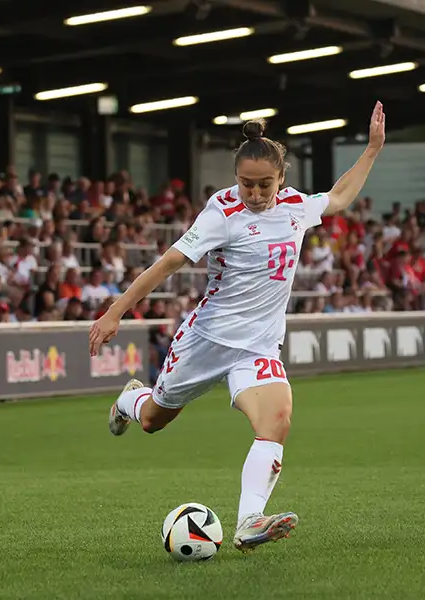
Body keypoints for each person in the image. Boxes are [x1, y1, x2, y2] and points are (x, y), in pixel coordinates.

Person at [88, 102, 387, 553]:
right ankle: (131, 399)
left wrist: (371, 150)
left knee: (277, 419)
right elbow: (169, 263)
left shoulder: (295, 208)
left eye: (264, 183)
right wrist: (116, 311)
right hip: (207, 339)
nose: (254, 192)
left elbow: (340, 196)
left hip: (259, 345)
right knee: (154, 420)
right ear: (236, 178)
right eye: (246, 183)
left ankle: (249, 521)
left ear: (280, 178)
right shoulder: (221, 214)